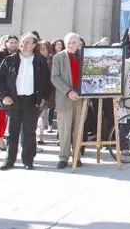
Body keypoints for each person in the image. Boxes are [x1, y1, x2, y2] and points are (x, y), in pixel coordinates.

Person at [0, 33, 51, 170]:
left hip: (31, 100)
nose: (23, 44)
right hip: (13, 100)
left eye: (27, 42)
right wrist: (3, 96)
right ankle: (9, 160)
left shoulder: (40, 61)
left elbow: (46, 82)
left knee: (29, 132)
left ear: (34, 45)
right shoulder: (10, 60)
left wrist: (44, 98)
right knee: (12, 132)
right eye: (22, 41)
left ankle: (28, 160)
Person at [50, 33, 83, 169]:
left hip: (81, 97)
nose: (71, 45)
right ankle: (63, 157)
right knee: (64, 128)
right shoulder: (59, 57)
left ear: (79, 43)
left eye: (73, 42)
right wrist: (68, 91)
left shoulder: (84, 55)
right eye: (68, 43)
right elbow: (55, 77)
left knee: (79, 128)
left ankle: (77, 156)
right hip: (65, 96)